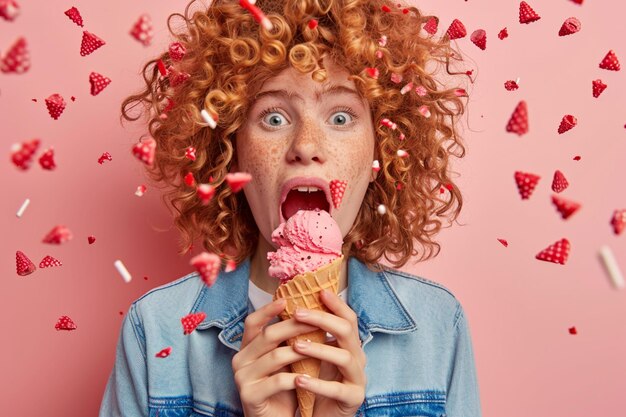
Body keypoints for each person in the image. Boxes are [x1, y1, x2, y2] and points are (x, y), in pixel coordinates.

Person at [99, 0, 481, 416]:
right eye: (274, 118)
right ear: (232, 153)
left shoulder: (437, 327)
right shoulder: (154, 329)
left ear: (381, 153)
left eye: (340, 117)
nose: (305, 146)